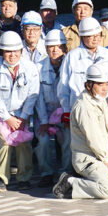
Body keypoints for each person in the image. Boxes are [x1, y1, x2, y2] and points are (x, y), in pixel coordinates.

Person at [53, 63, 108, 200]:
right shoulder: (84, 107)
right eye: (100, 84)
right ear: (88, 85)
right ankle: (70, 182)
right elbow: (94, 138)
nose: (105, 88)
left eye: (107, 84)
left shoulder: (101, 101)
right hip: (88, 159)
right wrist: (106, 160)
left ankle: (89, 182)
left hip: (100, 156)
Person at [0, 31, 40, 193]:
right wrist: (7, 118)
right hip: (0, 115)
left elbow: (33, 94)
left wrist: (22, 117)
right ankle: (1, 178)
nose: (12, 55)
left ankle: (24, 178)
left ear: (21, 51)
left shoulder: (30, 67)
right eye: (8, 51)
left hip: (23, 115)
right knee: (3, 144)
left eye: (16, 51)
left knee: (24, 144)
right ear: (2, 51)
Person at [57, 17, 108, 115]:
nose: (95, 39)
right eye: (91, 36)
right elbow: (63, 87)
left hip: (105, 109)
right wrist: (66, 111)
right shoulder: (72, 57)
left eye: (98, 35)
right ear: (82, 37)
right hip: (80, 110)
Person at [35, 29, 68, 186]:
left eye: (59, 46)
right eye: (51, 46)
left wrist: (66, 116)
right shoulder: (38, 67)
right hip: (45, 114)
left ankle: (66, 172)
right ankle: (46, 173)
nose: (55, 50)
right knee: (43, 141)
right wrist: (43, 121)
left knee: (68, 140)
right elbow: (38, 97)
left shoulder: (70, 65)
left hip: (65, 114)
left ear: (64, 48)